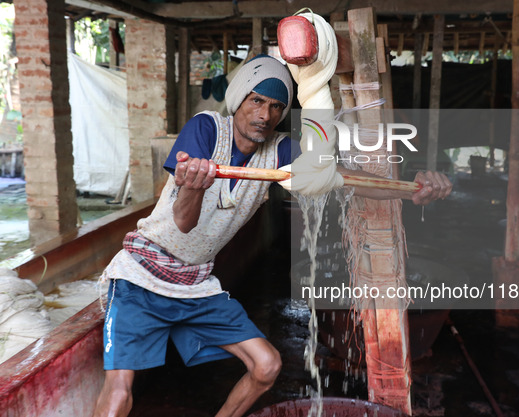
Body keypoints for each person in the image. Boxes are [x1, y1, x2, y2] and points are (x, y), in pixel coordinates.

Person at [92, 54, 452, 417]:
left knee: (266, 366)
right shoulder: (207, 129)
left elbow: (343, 179)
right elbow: (183, 223)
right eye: (256, 101)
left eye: (277, 106)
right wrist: (192, 186)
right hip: (141, 276)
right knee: (120, 392)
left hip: (195, 283)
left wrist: (408, 189)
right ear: (239, 101)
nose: (265, 115)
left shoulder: (280, 150)